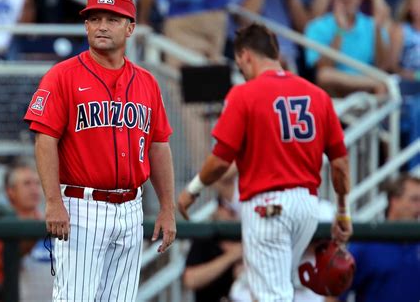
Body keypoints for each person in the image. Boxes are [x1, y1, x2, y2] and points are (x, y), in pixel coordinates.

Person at [177, 23, 353, 302]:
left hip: (267, 206)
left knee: (272, 297)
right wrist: (343, 212)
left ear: (246, 55)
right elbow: (340, 165)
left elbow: (221, 161)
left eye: (240, 63)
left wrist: (192, 190)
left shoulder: (244, 94)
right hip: (307, 207)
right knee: (283, 290)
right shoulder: (317, 95)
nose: (242, 70)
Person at [23, 0, 176, 302]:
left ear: (130, 27)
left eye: (111, 19)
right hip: (81, 206)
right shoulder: (61, 76)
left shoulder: (147, 82)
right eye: (94, 19)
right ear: (86, 26)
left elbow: (159, 144)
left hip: (132, 207)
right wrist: (53, 201)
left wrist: (167, 207)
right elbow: (45, 139)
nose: (101, 26)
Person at [330, 174, 420, 302]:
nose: (419, 206)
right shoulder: (367, 243)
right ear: (394, 201)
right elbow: (334, 293)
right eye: (414, 199)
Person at [304, 0, 389, 97]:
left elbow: (383, 66)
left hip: (367, 93)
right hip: (337, 94)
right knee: (325, 75)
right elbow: (323, 69)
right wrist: (339, 31)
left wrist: (378, 30)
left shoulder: (372, 24)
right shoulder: (316, 26)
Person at [0, 160, 53, 301]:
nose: (34, 189)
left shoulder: (52, 223)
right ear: (11, 191)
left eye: (37, 183)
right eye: (27, 183)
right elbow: (0, 263)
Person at [183, 195, 243, 302]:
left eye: (234, 211)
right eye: (227, 208)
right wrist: (231, 257)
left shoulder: (247, 238)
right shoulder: (206, 238)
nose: (230, 214)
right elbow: (190, 280)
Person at [388, 0, 420, 83]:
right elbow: (391, 67)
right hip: (407, 87)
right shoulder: (401, 31)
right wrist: (415, 76)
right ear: (410, 7)